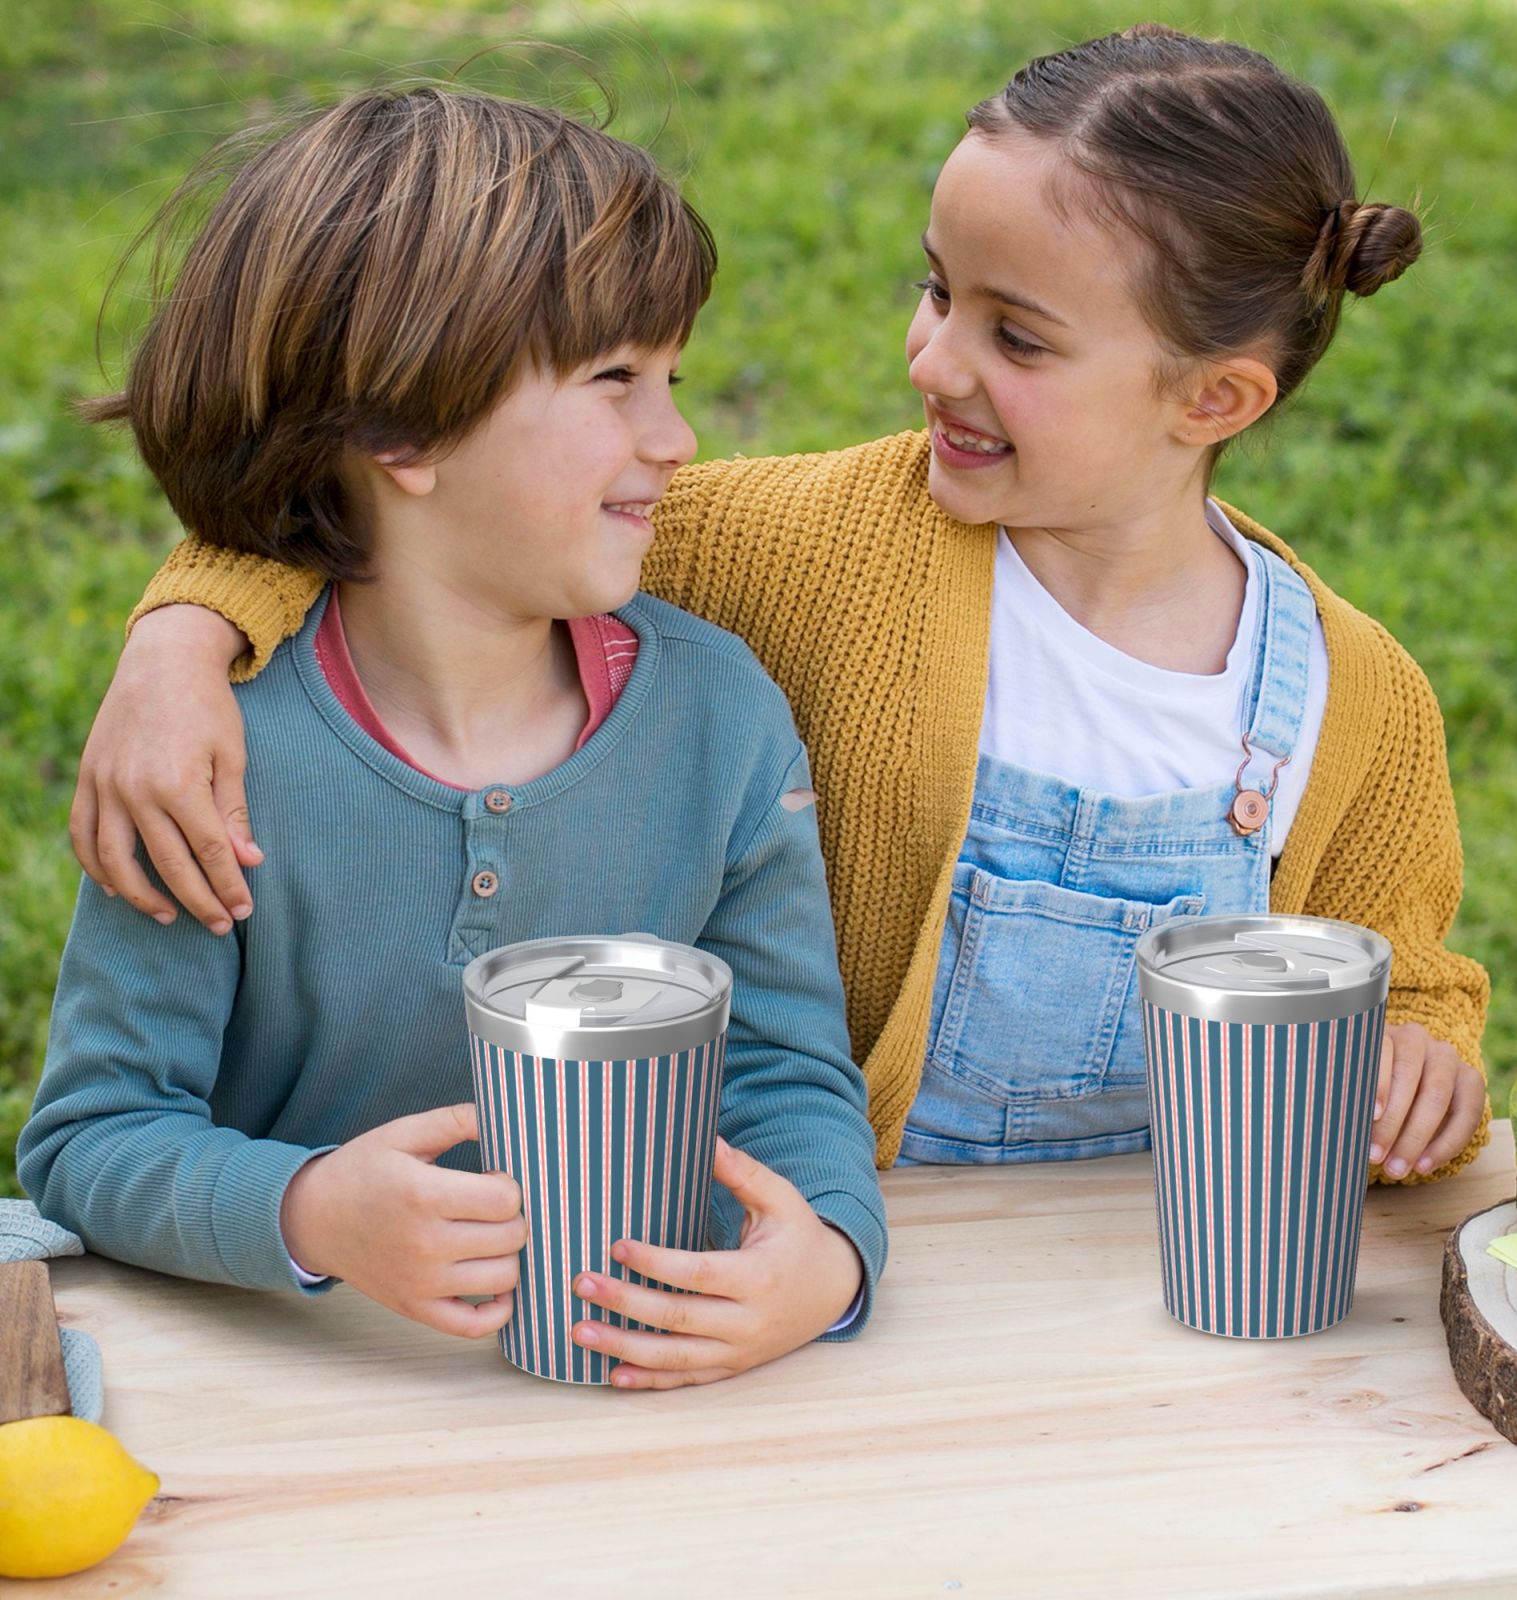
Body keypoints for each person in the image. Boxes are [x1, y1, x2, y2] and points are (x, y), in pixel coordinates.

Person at [68, 25, 1490, 1185]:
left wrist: (1420, 1055)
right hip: (852, 1246)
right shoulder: (808, 546)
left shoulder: (1353, 699)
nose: (934, 359)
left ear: (1216, 398)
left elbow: (1403, 976)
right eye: (938, 291)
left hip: (1163, 1278)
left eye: (1018, 335)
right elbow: (422, 504)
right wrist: (185, 636)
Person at [20, 86, 887, 1390]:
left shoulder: (723, 720)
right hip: (305, 1400)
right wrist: (312, 1211)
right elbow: (93, 1139)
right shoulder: (208, 758)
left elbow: (780, 1069)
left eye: (673, 379)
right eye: (614, 383)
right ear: (398, 430)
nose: (677, 438)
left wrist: (825, 1255)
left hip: (640, 1398)